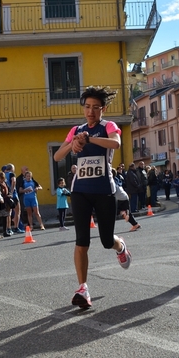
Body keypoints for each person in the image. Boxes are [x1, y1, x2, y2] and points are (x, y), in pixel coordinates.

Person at [53, 86, 131, 310]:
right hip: (80, 191)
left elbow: (115, 143)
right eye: (87, 107)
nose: (91, 111)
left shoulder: (108, 126)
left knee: (107, 241)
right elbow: (58, 155)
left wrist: (90, 140)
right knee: (81, 241)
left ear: (102, 109)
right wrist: (73, 144)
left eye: (96, 107)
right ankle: (83, 288)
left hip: (104, 190)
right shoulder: (76, 129)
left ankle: (120, 247)